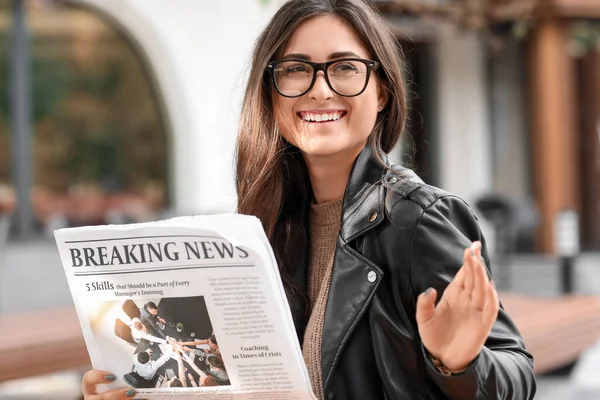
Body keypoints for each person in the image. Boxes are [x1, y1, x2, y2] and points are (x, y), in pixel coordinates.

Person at [81, 0, 536, 399]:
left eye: (343, 67)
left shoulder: (415, 219)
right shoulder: (264, 226)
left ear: (381, 91)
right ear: (271, 94)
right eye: (297, 69)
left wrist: (457, 365)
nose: (320, 89)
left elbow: (516, 375)